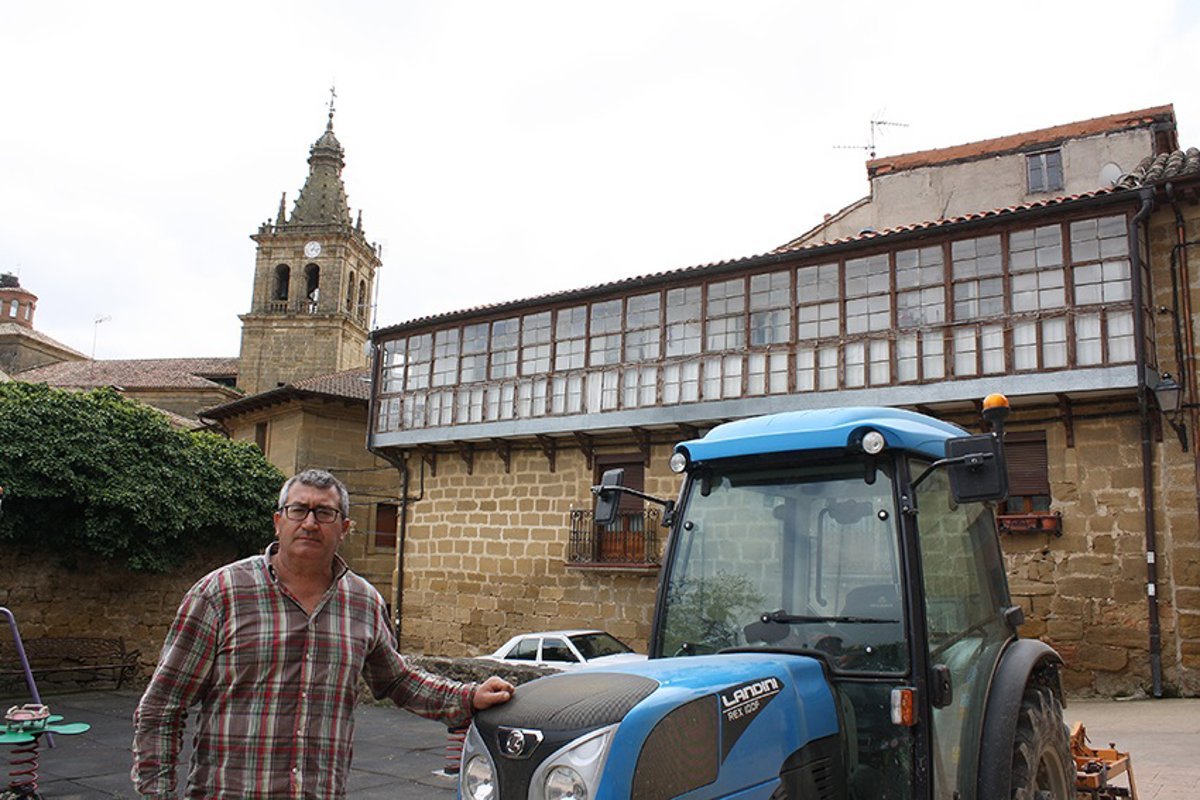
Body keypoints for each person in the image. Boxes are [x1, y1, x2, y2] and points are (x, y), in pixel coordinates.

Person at [131, 468, 513, 798]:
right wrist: (156, 793)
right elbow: (161, 707)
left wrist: (469, 696)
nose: (310, 523)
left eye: (325, 513)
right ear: (278, 521)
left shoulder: (363, 602)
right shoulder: (220, 594)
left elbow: (397, 680)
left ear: (344, 528)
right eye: (298, 510)